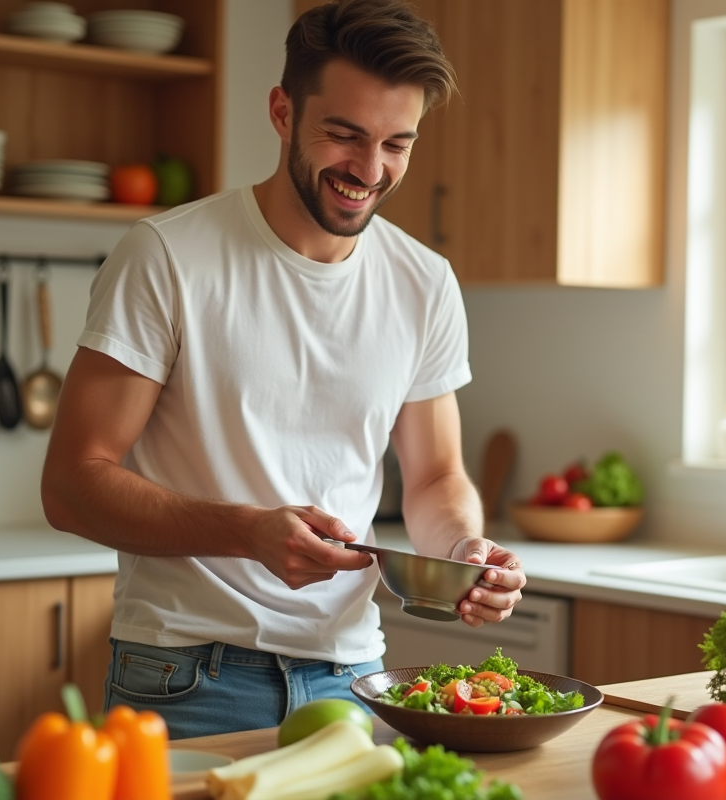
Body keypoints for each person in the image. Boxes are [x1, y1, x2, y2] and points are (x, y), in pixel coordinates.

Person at [40, 0, 526, 740]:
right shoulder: (169, 256)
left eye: (398, 143)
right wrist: (246, 532)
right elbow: (73, 484)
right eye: (344, 135)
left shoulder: (423, 281)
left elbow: (434, 476)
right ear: (282, 112)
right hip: (184, 676)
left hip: (351, 680)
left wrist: (463, 551)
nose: (370, 170)